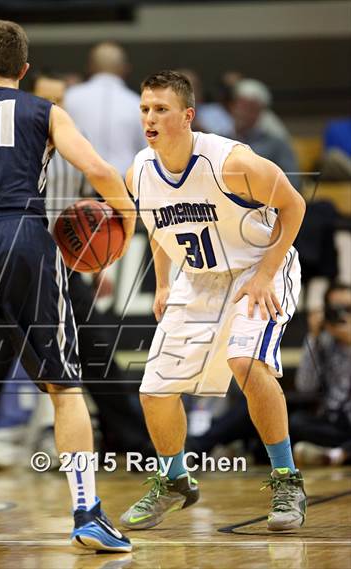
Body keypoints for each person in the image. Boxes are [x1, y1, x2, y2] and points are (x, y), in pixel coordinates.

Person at [0, 19, 135, 553]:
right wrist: (126, 224)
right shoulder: (46, 111)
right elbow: (99, 170)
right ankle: (87, 513)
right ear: (23, 69)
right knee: (64, 387)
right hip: (25, 240)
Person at [119, 70, 307, 532]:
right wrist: (162, 284)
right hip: (199, 279)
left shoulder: (231, 162)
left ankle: (287, 479)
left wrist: (266, 274)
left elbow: (295, 205)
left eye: (161, 109)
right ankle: (176, 480)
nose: (150, 117)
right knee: (155, 392)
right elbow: (159, 229)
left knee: (245, 361)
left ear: (187, 115)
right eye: (145, 109)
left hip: (258, 264)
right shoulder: (139, 171)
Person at [291, 282, 351, 466]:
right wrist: (314, 337)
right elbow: (305, 386)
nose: (343, 315)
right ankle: (340, 452)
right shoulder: (323, 341)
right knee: (296, 421)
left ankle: (338, 454)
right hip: (332, 421)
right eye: (336, 309)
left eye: (348, 308)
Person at [64, 41, 145, 177]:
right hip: (123, 186)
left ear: (90, 66)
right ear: (125, 68)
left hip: (79, 186)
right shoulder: (137, 104)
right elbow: (147, 151)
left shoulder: (69, 98)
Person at [231, 79, 300, 190]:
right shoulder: (220, 139)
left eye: (249, 108)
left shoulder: (277, 143)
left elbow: (293, 183)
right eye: (239, 106)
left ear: (260, 112)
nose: (241, 112)